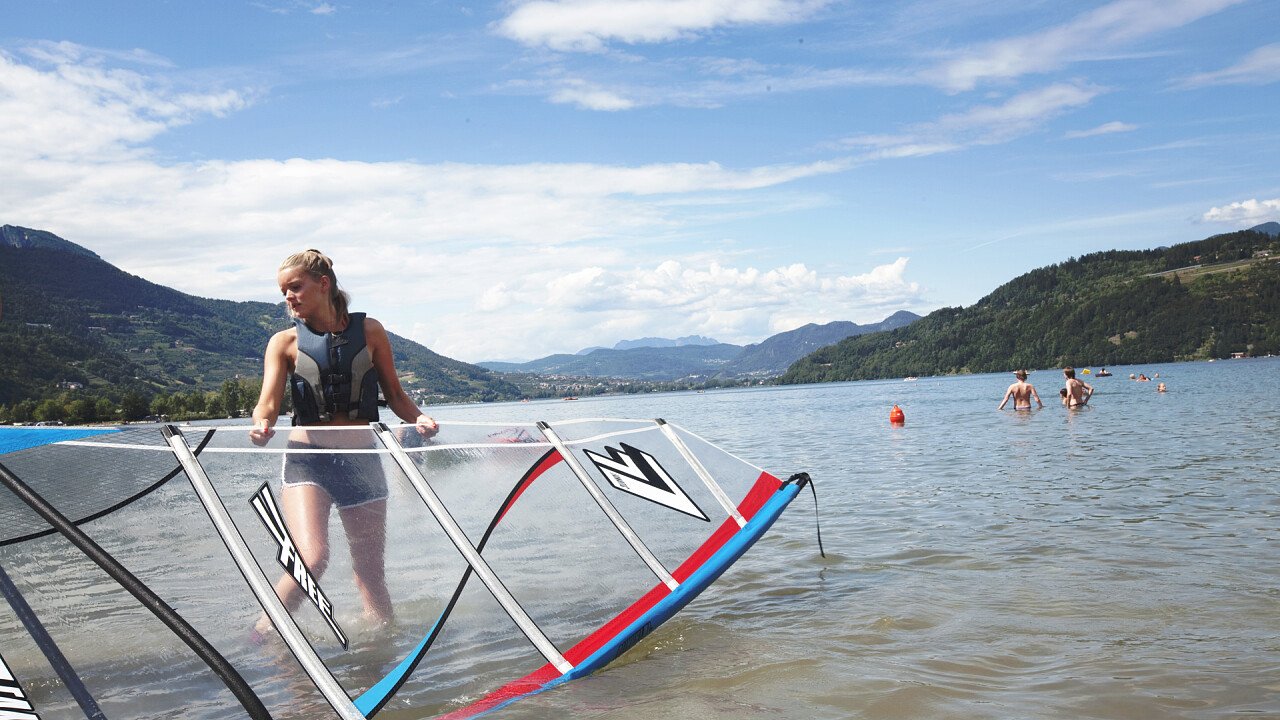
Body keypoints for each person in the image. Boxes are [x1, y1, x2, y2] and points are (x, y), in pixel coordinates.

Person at [250, 249, 438, 636]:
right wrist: (261, 425)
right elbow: (267, 404)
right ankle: (264, 636)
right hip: (308, 461)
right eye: (284, 291)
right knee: (312, 559)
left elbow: (397, 397)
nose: (288, 297)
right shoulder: (282, 343)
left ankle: (383, 651)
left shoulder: (370, 332)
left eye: (295, 287)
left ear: (324, 284)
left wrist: (419, 418)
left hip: (361, 460)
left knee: (371, 571)